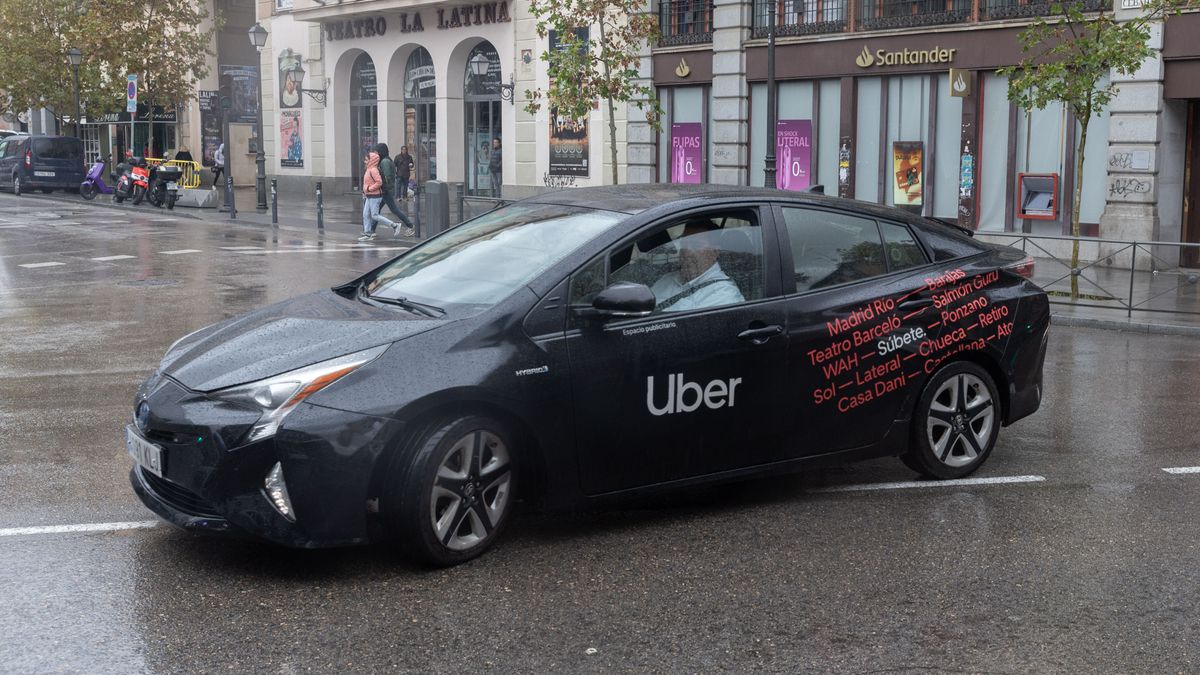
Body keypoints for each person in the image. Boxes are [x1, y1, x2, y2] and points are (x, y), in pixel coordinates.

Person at [650, 221, 744, 313]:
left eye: (696, 245)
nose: (686, 251)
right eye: (684, 244)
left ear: (715, 251)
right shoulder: (667, 279)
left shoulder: (723, 294)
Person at [374, 142, 414, 236]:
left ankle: (410, 226)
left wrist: (383, 188)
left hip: (386, 190)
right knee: (376, 211)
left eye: (377, 152)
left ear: (381, 152)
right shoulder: (387, 160)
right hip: (387, 190)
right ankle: (371, 231)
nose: (376, 154)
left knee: (393, 210)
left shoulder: (384, 162)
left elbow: (386, 176)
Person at [359, 150, 396, 242]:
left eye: (367, 160)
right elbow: (367, 183)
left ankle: (394, 225)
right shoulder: (369, 169)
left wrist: (369, 189)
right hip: (369, 195)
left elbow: (379, 182)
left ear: (372, 160)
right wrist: (365, 191)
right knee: (365, 214)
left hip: (375, 196)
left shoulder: (373, 170)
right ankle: (367, 233)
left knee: (374, 215)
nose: (365, 161)